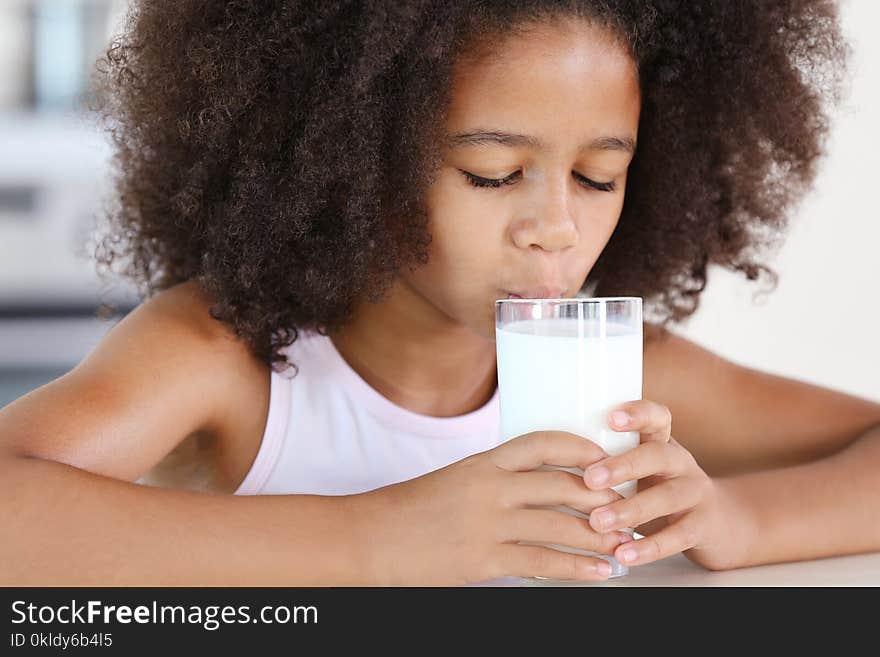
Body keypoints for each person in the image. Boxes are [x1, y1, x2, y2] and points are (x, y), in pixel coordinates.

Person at [1, 0, 878, 587]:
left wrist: (735, 521)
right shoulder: (226, 354)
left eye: (600, 176)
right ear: (346, 160)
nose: (557, 225)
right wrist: (375, 537)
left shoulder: (620, 370)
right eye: (494, 174)